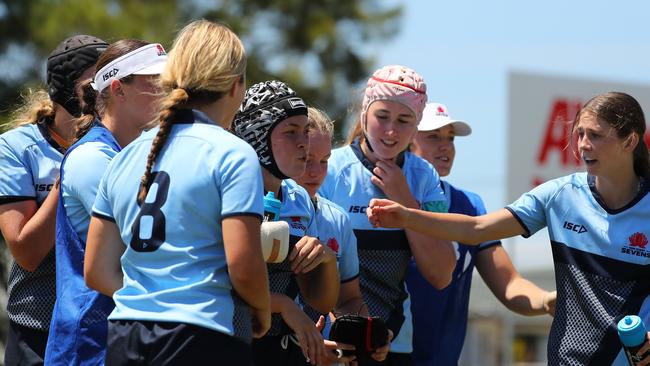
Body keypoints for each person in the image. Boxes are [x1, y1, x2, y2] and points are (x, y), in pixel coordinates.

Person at [368, 92, 650, 366]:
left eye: (596, 135)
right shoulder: (559, 194)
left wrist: (543, 301)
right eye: (580, 134)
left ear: (630, 141)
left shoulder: (470, 202)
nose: (584, 144)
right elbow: (478, 228)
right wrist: (407, 216)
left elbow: (504, 275)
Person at [83, 20, 271, 365]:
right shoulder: (233, 153)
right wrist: (263, 310)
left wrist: (150, 296)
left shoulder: (125, 156)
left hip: (126, 335)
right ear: (235, 85)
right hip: (202, 334)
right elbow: (243, 265)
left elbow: (96, 270)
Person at [319, 65, 456, 365]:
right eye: (382, 117)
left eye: (404, 120)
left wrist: (405, 203)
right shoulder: (329, 169)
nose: (391, 131)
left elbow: (442, 273)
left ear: (417, 124)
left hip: (392, 343)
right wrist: (335, 326)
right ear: (365, 112)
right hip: (329, 339)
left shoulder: (424, 177)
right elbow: (309, 265)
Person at [405, 102, 556, 366]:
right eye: (433, 136)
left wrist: (545, 301)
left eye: (450, 138)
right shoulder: (377, 202)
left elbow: (508, 284)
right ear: (407, 142)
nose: (446, 146)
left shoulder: (470, 205)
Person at [45, 39, 166, 366]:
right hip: (90, 347)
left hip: (122, 339)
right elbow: (149, 242)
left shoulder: (134, 156)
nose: (165, 91)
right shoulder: (92, 157)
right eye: (152, 81)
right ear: (118, 89)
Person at [0, 35, 107, 365]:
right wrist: (69, 179)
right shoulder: (16, 148)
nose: (106, 90)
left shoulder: (117, 145)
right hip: (37, 329)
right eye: (96, 80)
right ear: (66, 86)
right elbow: (26, 252)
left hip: (101, 324)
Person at [232, 81, 340, 366]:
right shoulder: (230, 192)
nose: (304, 142)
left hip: (281, 352)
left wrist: (326, 261)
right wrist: (283, 305)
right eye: (291, 132)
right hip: (231, 344)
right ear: (257, 136)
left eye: (305, 131)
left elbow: (321, 302)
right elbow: (219, 282)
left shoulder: (299, 199)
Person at [294, 106, 391, 364]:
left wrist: (367, 334)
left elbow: (348, 298)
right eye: (306, 159)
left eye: (324, 160)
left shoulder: (337, 219)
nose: (315, 172)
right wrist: (302, 341)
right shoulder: (264, 209)